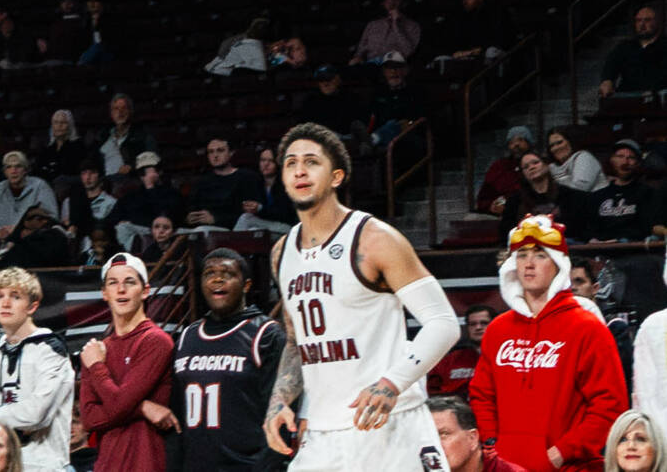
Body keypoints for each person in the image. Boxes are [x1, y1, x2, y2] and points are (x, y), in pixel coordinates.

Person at [262, 122, 461, 467]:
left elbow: (443, 323)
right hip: (322, 433)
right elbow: (297, 342)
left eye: (312, 161)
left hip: (390, 425)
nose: (300, 170)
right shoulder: (282, 252)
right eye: (291, 163)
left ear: (336, 176)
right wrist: (279, 401)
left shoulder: (374, 239)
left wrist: (391, 384)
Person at [469, 217, 625, 471]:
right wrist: (492, 445)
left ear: (558, 265)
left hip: (570, 466)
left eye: (540, 255)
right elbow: (482, 395)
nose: (529, 264)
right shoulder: (498, 329)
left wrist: (560, 454)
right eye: (522, 255)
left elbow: (610, 406)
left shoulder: (587, 327)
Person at [170, 250, 286, 471]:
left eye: (227, 273)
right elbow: (175, 414)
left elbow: (280, 413)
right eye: (209, 273)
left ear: (246, 285)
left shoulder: (266, 335)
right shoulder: (187, 337)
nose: (217, 279)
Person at [0, 267, 71, 471]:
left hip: (43, 465)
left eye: (15, 296)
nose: (6, 303)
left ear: (32, 306)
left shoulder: (51, 351)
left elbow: (35, 415)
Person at [77, 254, 172, 472]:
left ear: (145, 291)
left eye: (129, 282)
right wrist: (144, 408)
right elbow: (90, 419)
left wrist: (97, 367)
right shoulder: (96, 350)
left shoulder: (155, 341)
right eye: (113, 283)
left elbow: (119, 406)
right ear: (104, 293)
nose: (121, 290)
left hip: (146, 464)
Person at [600, 8, 667, 101]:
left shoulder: (664, 45)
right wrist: (607, 80)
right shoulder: (625, 46)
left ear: (657, 22)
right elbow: (611, 64)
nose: (642, 24)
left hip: (657, 97)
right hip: (628, 96)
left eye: (647, 20)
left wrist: (655, 90)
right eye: (639, 20)